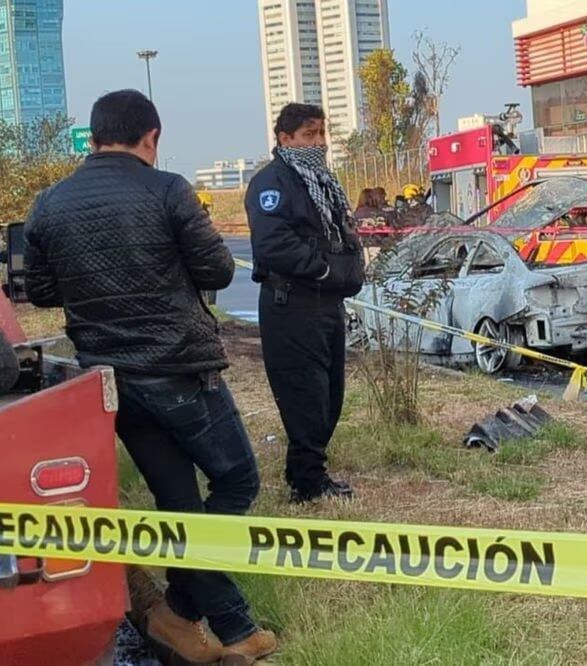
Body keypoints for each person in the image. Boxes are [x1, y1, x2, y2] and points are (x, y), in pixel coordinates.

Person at [22, 89, 275, 662]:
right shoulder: (168, 190)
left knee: (178, 498)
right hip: (179, 370)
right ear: (151, 137)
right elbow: (217, 269)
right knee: (237, 479)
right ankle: (190, 614)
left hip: (109, 382)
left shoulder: (49, 203)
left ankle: (210, 625)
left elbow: (39, 290)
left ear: (94, 138)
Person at [246, 102, 365, 502]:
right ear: (285, 138)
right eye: (309, 135)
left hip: (326, 304)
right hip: (292, 303)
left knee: (330, 394)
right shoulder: (272, 183)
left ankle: (309, 472)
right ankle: (307, 483)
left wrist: (348, 265)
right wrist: (324, 269)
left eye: (321, 134)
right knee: (305, 395)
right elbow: (274, 243)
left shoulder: (322, 181)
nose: (319, 143)